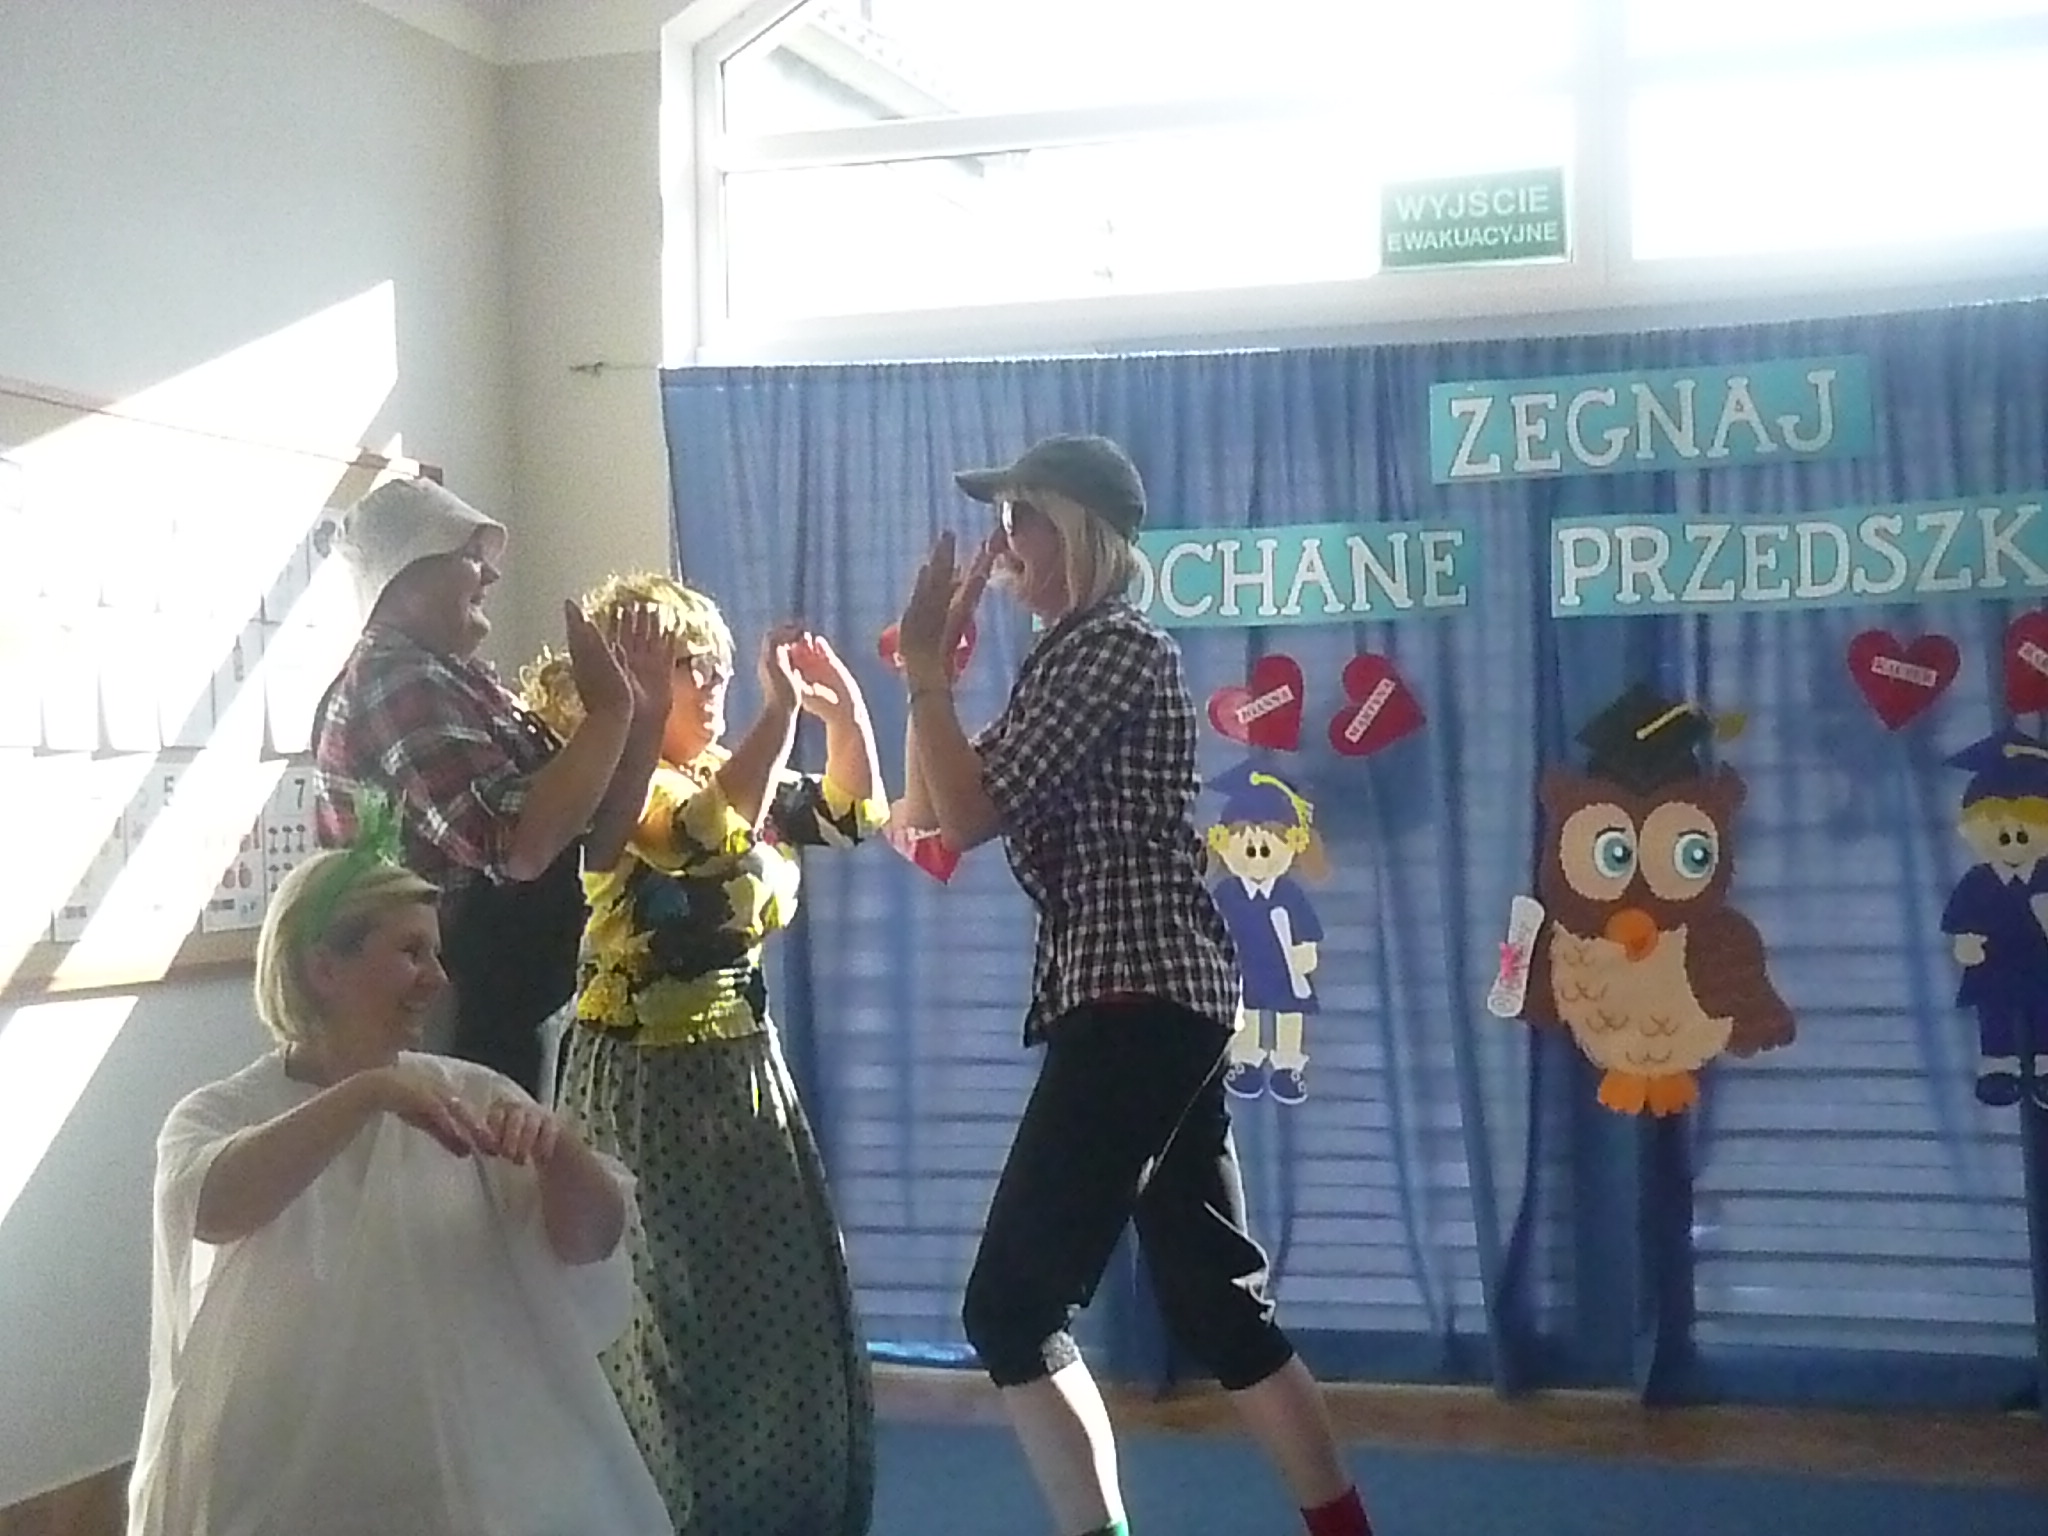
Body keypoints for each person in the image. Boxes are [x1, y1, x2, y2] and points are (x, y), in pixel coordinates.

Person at [891, 434, 1374, 1536]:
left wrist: (926, 678)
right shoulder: (1068, 658)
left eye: (1023, 516)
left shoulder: (1111, 647)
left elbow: (965, 813)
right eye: (1003, 520)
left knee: (1010, 1309)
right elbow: (932, 813)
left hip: (1135, 1001)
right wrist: (934, 683)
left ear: (1080, 531)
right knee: (1219, 1301)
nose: (1004, 541)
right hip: (1151, 1002)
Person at [127, 813, 672, 1536]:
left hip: (456, 1461)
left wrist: (560, 1153)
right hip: (284, 1474)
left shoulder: (473, 1092)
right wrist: (370, 1093)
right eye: (412, 952)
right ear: (324, 968)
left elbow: (591, 1242)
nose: (438, 979)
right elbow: (213, 1206)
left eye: (436, 954)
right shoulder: (220, 1112)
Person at [520, 571, 883, 1536]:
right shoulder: (623, 784)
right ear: (634, 680)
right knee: (677, 1320)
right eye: (692, 666)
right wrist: (779, 714)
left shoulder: (731, 769)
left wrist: (842, 712)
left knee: (775, 1303)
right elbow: (697, 835)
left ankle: (787, 1510)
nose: (716, 681)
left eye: (719, 664)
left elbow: (850, 814)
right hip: (644, 1081)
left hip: (739, 1065)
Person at [312, 476, 669, 1098]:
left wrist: (643, 718)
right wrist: (610, 714)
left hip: (505, 1009)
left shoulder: (464, 681)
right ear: (404, 574)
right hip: (439, 1015)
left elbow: (595, 847)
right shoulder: (396, 679)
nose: (491, 575)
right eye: (470, 557)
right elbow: (520, 846)